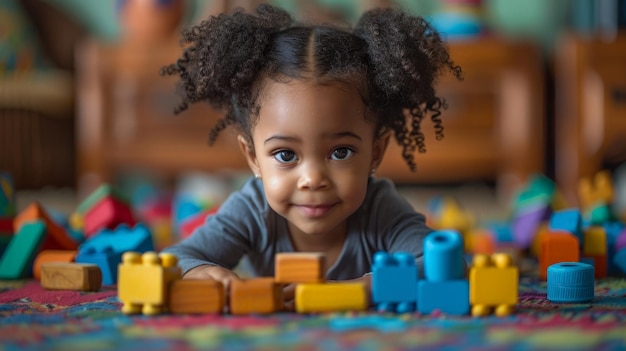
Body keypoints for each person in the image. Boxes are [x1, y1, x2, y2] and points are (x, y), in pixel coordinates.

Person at [161, 3, 462, 307]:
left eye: (340, 152)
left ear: (375, 152)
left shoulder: (379, 209)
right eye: (286, 155)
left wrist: (362, 288)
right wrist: (200, 270)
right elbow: (175, 258)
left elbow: (448, 264)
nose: (313, 179)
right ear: (252, 157)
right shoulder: (253, 210)